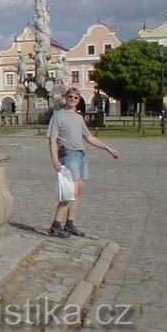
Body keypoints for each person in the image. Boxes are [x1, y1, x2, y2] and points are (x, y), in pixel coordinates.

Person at [47, 87, 119, 238]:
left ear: (79, 101)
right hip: (69, 155)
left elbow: (88, 137)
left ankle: (70, 223)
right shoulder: (58, 116)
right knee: (70, 192)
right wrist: (54, 159)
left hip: (80, 156)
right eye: (70, 97)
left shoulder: (78, 118)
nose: (72, 99)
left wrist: (107, 147)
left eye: (76, 98)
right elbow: (53, 139)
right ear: (66, 97)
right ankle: (56, 224)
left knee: (78, 192)